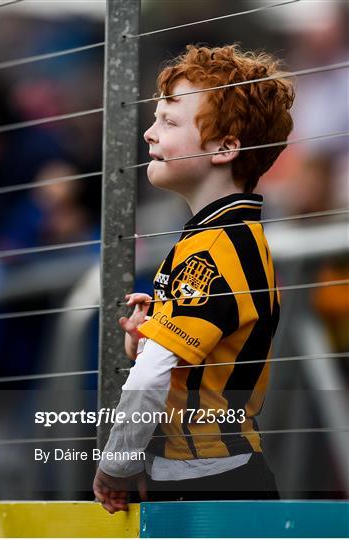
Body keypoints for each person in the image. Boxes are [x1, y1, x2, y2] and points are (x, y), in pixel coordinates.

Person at [93, 44, 295, 513]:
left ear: (225, 148)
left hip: (211, 483)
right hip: (217, 476)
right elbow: (195, 361)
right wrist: (150, 339)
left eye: (169, 122)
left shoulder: (211, 252)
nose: (149, 133)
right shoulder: (224, 239)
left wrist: (117, 464)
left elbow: (150, 378)